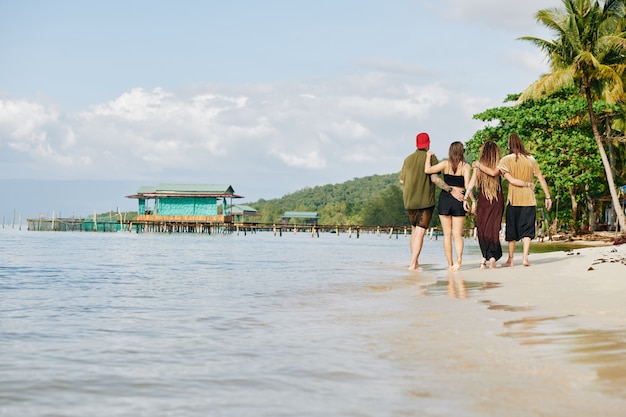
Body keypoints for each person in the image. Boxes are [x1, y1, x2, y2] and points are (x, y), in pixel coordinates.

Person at [476, 133, 552, 267]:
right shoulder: (531, 159)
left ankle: (510, 259)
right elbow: (540, 178)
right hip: (529, 200)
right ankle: (525, 258)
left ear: (509, 145)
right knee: (528, 230)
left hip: (514, 200)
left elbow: (496, 174)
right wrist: (548, 196)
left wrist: (479, 165)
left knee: (512, 231)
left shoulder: (506, 160)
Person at [399, 132, 464, 271]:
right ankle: (412, 263)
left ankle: (415, 262)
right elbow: (434, 178)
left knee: (414, 231)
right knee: (421, 232)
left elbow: (401, 180)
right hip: (425, 201)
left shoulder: (408, 159)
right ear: (428, 144)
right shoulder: (431, 157)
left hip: (409, 201)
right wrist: (450, 190)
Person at [425, 141, 472, 272]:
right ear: (462, 152)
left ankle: (450, 264)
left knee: (447, 235)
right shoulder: (466, 167)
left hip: (446, 199)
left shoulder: (445, 164)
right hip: (459, 199)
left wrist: (428, 156)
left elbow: (427, 170)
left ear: (450, 151)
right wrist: (467, 200)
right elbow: (468, 186)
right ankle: (459, 259)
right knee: (457, 234)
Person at [463, 141, 504, 269]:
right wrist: (466, 198)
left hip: (484, 201)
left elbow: (472, 182)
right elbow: (471, 182)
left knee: (483, 229)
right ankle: (489, 257)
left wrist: (466, 198)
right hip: (497, 200)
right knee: (493, 229)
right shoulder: (499, 164)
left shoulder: (484, 166)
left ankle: (487, 257)